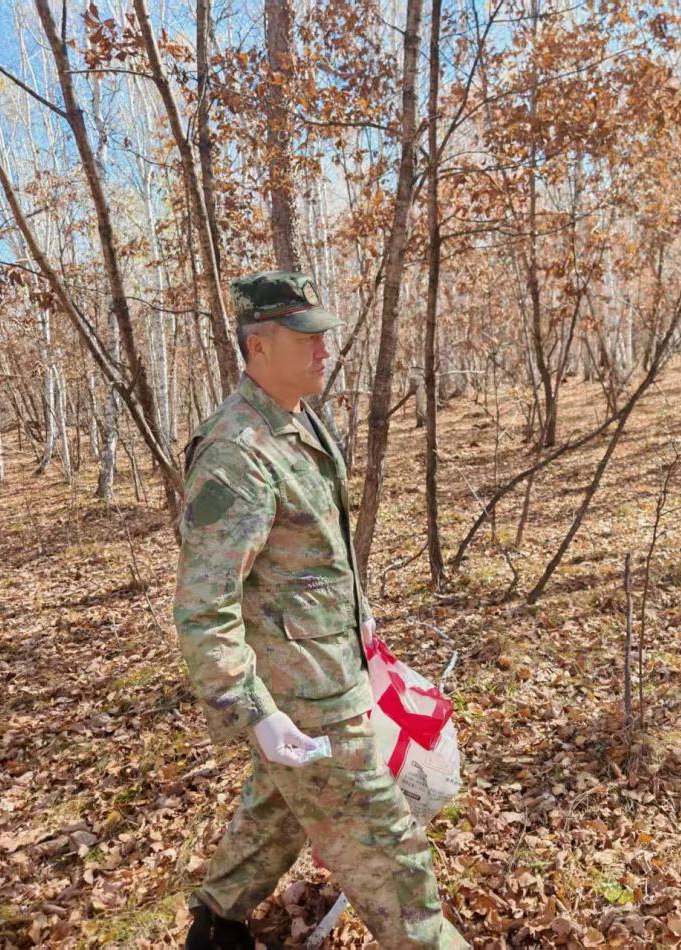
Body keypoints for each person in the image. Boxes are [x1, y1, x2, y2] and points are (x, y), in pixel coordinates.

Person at [173, 270, 468, 949]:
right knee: (392, 859)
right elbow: (204, 606)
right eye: (303, 336)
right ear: (257, 346)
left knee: (276, 811)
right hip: (306, 698)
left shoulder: (296, 422)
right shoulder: (236, 453)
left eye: (321, 334)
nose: (322, 348)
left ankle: (216, 926)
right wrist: (254, 712)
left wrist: (358, 622)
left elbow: (307, 555)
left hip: (329, 668)